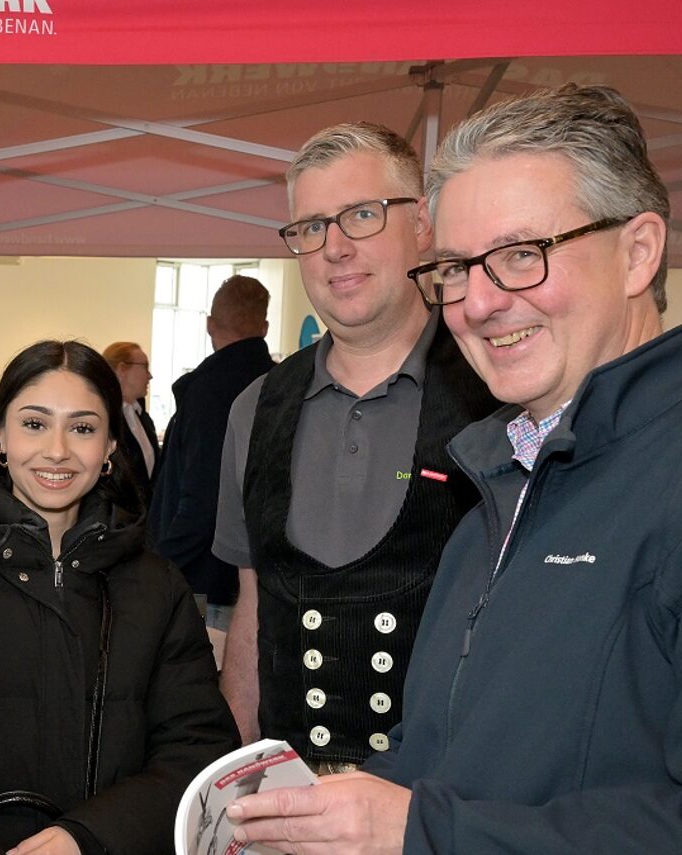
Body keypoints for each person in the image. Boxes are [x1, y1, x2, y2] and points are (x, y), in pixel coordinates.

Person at [228, 85, 682, 854]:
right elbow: (458, 759)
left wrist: (421, 829)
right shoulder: (501, 479)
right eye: (456, 267)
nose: (480, 302)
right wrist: (344, 810)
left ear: (639, 251)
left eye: (522, 254)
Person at [215, 124, 499, 767]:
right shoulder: (254, 411)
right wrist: (236, 773)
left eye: (362, 215)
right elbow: (252, 607)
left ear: (423, 223)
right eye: (310, 227)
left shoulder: (499, 396)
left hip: (440, 800)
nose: (334, 248)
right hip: (290, 800)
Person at [0, 340, 239, 855]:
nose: (57, 450)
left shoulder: (155, 587)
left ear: (109, 447)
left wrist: (87, 836)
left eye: (82, 428)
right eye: (34, 423)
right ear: (0, 436)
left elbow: (197, 749)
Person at [147, 275, 274, 631]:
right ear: (264, 328)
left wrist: (159, 565)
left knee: (197, 679)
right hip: (260, 577)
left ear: (209, 325)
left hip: (201, 581)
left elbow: (202, 500)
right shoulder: (282, 385)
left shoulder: (207, 393)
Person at [100, 341, 159, 507]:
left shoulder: (141, 415)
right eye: (145, 367)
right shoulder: (106, 417)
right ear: (122, 369)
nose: (150, 376)